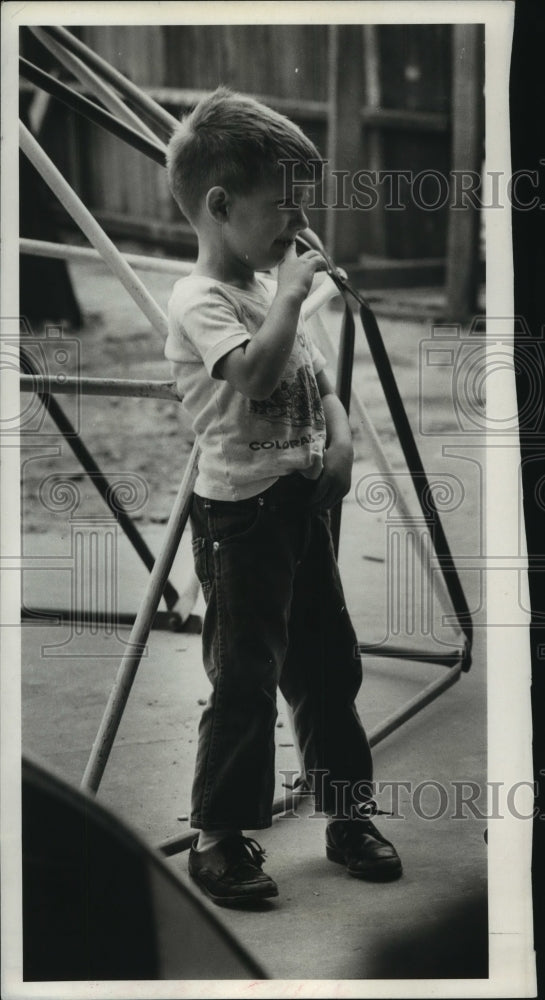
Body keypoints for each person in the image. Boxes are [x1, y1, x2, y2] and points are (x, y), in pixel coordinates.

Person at [164, 87, 402, 907]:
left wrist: (338, 439)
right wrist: (297, 292)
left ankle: (346, 812)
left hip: (299, 510)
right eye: (283, 207)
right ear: (220, 206)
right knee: (244, 677)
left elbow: (309, 379)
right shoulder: (200, 300)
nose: (298, 225)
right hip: (240, 520)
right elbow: (258, 372)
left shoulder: (267, 293)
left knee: (327, 667)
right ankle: (219, 835)